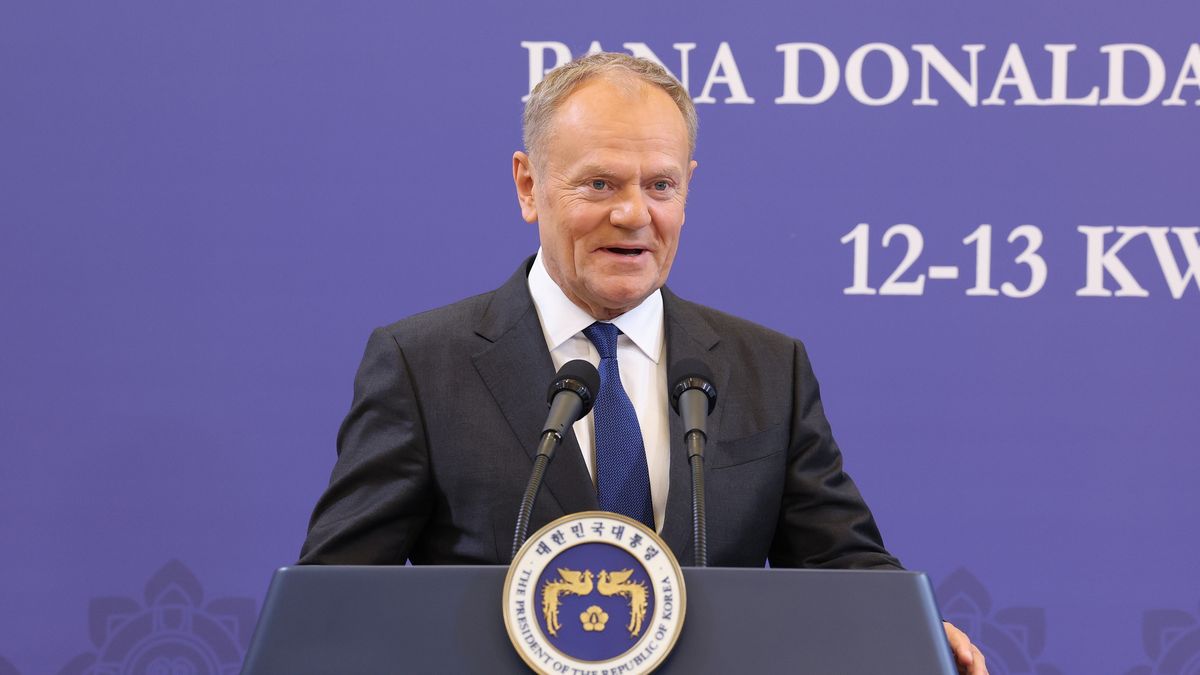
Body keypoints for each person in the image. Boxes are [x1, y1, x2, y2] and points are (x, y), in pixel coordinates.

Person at [299, 52, 987, 674]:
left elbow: (842, 562)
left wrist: (912, 630)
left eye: (660, 185)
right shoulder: (423, 364)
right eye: (599, 183)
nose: (634, 214)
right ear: (529, 185)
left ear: (687, 186)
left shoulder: (767, 368)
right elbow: (336, 599)